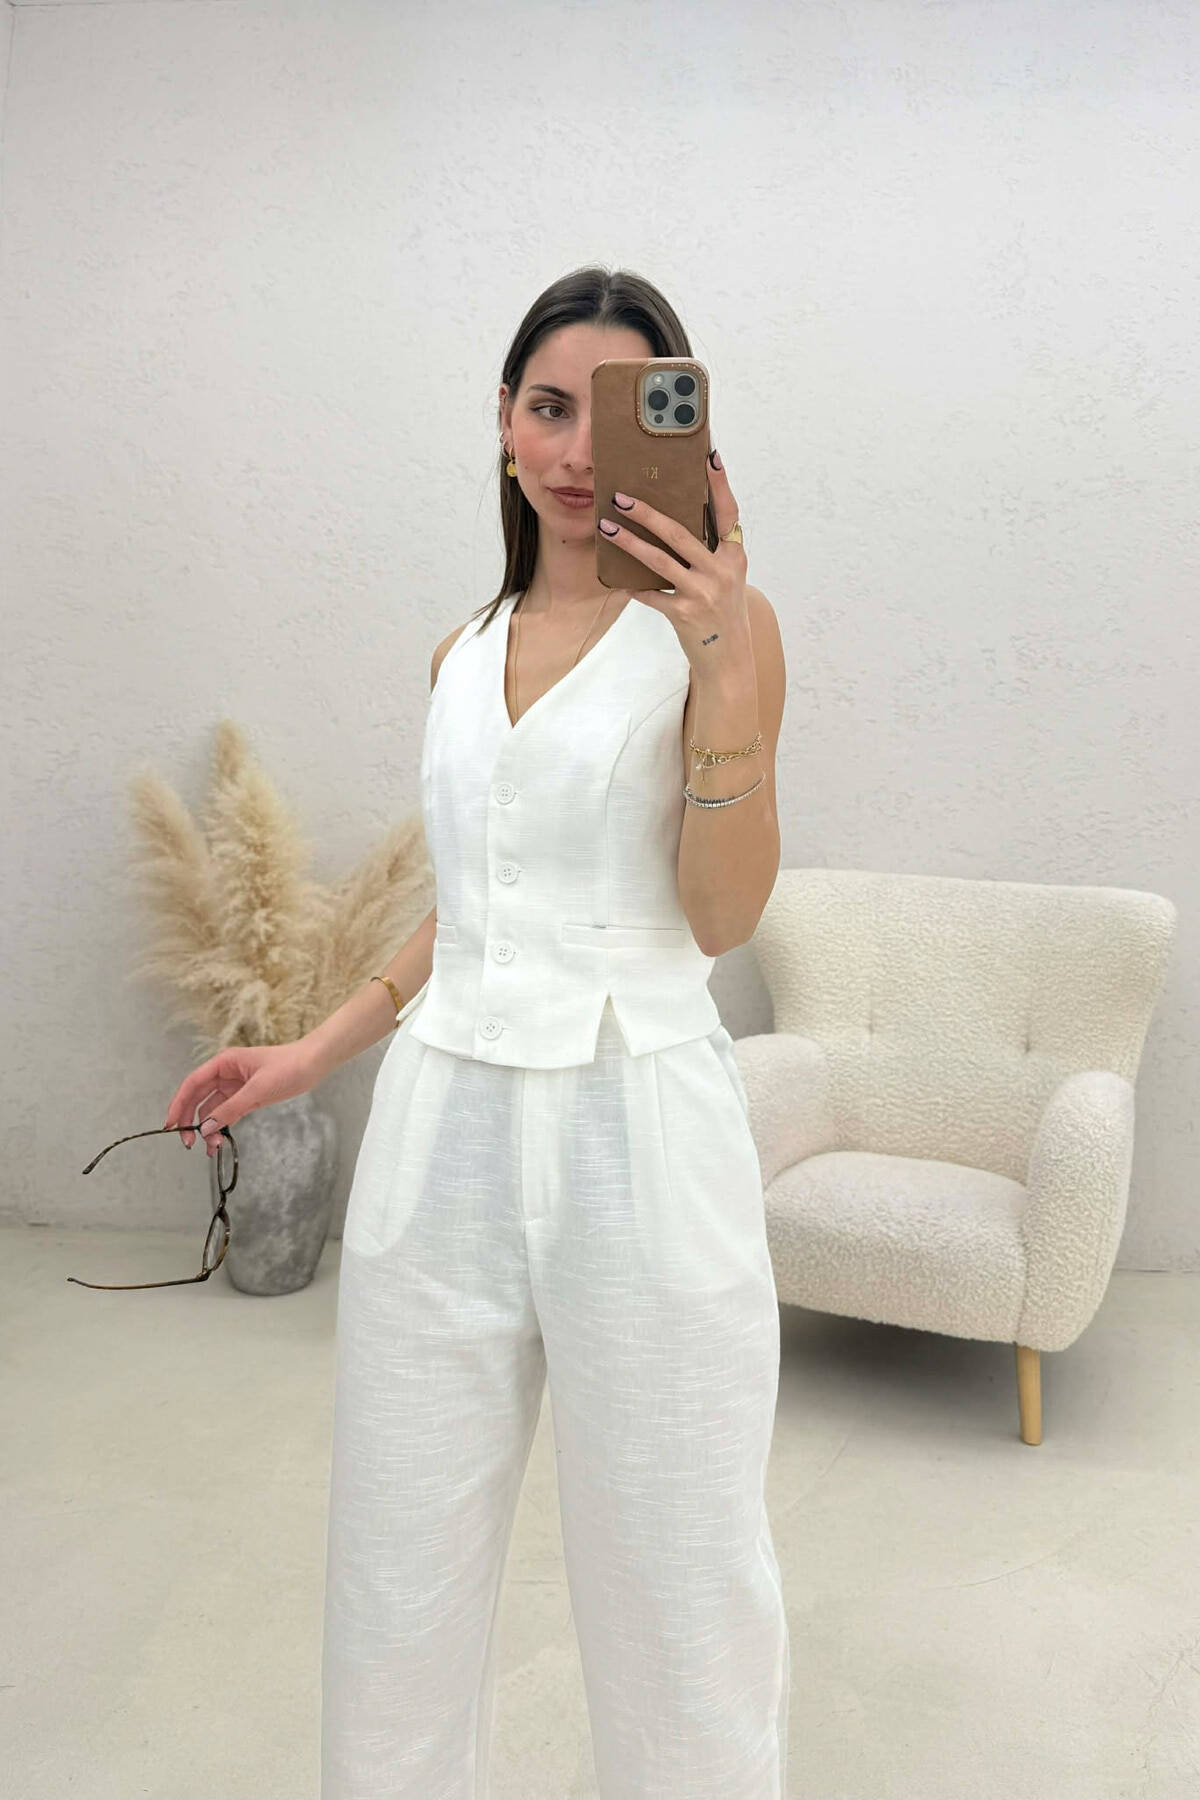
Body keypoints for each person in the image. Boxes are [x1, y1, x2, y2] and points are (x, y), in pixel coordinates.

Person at [165, 265, 789, 1799]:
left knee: (678, 1583)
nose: (577, 452)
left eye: (615, 416)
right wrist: (312, 1054)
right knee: (398, 1579)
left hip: (640, 1129)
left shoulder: (723, 632)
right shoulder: (460, 654)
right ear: (503, 423)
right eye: (548, 408)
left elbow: (720, 917)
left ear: (677, 436)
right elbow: (475, 912)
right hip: (442, 1133)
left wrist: (720, 666)